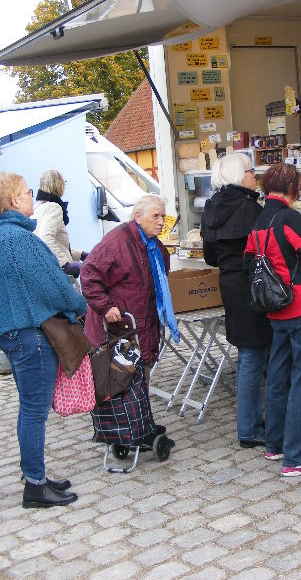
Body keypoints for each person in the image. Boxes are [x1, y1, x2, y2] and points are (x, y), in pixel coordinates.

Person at [0, 172, 86, 508]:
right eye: (25, 192)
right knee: (34, 411)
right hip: (32, 334)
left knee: (29, 409)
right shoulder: (20, 240)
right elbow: (54, 285)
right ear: (13, 201)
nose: (30, 196)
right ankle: (35, 486)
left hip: (11, 334)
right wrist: (79, 305)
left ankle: (33, 472)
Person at [244, 163, 301, 477]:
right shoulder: (289, 217)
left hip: (275, 309)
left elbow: (250, 260)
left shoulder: (259, 220)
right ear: (292, 188)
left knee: (278, 379)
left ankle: (276, 444)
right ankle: (295, 457)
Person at [201, 153, 272, 449]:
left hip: (229, 284)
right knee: (253, 357)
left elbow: (209, 256)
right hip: (252, 286)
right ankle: (250, 428)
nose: (255, 175)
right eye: (251, 171)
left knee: (247, 354)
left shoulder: (212, 206)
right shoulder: (250, 209)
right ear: (238, 175)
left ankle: (252, 422)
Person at [81, 193, 179, 386]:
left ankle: (141, 415)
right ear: (138, 216)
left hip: (144, 325)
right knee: (122, 385)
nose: (161, 222)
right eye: (156, 216)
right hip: (123, 327)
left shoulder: (155, 247)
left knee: (142, 382)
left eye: (163, 217)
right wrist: (106, 307)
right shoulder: (119, 240)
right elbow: (89, 273)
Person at [33, 169, 88, 281]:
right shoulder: (54, 208)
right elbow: (44, 240)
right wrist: (66, 265)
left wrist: (81, 254)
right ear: (59, 185)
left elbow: (58, 245)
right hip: (59, 277)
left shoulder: (37, 207)